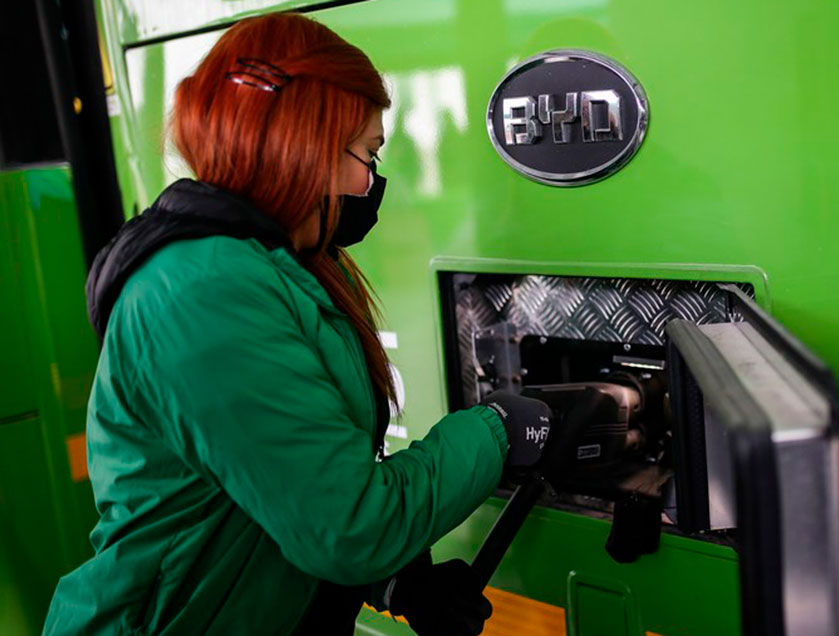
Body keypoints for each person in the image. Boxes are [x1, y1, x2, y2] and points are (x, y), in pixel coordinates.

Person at [42, 12, 551, 636]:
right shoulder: (205, 292)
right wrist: (495, 429)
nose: (371, 182)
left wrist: (396, 580)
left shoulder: (271, 270)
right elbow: (348, 528)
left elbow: (274, 484)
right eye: (366, 153)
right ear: (303, 143)